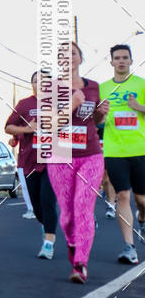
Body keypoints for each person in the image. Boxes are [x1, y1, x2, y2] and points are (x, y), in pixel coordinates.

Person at [47, 42, 107, 284]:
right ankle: (72, 244)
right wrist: (71, 104)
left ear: (80, 58)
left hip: (91, 153)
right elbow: (48, 125)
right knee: (68, 214)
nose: (68, 57)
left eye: (72, 53)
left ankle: (80, 263)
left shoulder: (93, 86)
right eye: (62, 54)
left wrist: (101, 113)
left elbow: (96, 120)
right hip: (61, 154)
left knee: (83, 207)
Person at [99, 44, 145, 264]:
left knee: (141, 199)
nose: (121, 61)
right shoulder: (102, 88)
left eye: (125, 57)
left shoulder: (141, 84)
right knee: (123, 196)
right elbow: (96, 122)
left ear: (130, 61)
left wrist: (139, 106)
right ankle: (129, 247)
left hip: (140, 150)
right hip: (114, 150)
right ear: (111, 62)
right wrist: (100, 114)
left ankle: (142, 218)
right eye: (117, 58)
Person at [5, 71, 58, 258]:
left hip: (53, 159)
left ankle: (48, 243)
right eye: (37, 81)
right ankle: (48, 227)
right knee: (36, 206)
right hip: (29, 161)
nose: (41, 84)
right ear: (32, 85)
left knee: (47, 200)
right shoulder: (24, 104)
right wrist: (27, 129)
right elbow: (8, 127)